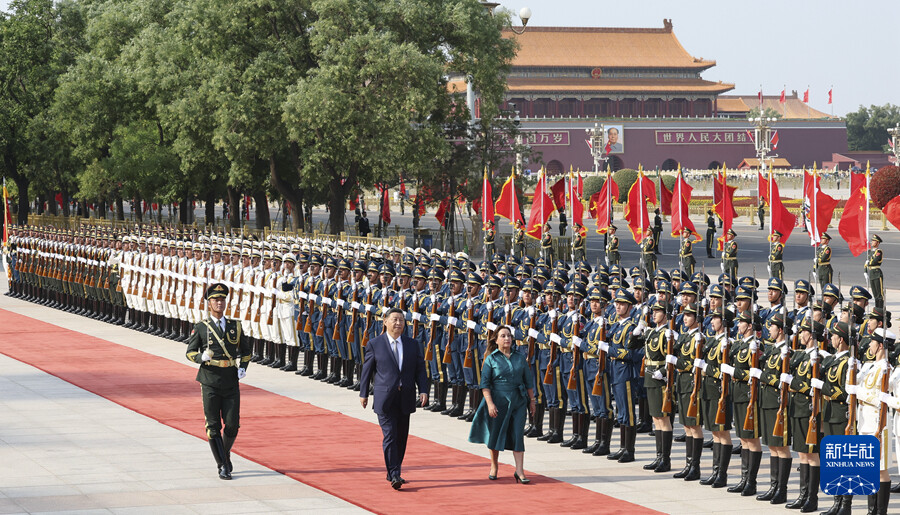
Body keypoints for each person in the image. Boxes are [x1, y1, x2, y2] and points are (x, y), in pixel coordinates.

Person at [185, 283, 252, 480]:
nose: (219, 302)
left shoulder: (235, 326)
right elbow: (189, 352)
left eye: (222, 299)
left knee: (232, 425)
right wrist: (200, 358)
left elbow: (246, 351)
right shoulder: (201, 327)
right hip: (210, 380)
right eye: (215, 300)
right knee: (213, 425)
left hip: (230, 379)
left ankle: (225, 451)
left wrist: (242, 368)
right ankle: (222, 464)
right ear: (209, 303)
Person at [359, 307, 429, 490]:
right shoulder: (375, 344)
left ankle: (393, 471)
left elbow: (420, 370)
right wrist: (363, 393)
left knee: (401, 437)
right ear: (385, 321)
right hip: (385, 397)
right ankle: (395, 473)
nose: (398, 323)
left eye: (401, 320)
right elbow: (367, 371)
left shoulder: (412, 344)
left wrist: (424, 390)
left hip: (405, 396)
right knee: (389, 435)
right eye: (394, 320)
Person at [468, 325, 536, 483]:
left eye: (509, 336)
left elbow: (528, 382)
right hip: (498, 400)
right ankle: (494, 465)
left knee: (518, 434)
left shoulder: (520, 357)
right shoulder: (491, 358)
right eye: (503, 336)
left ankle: (519, 470)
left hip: (519, 401)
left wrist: (532, 401)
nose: (507, 339)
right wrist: (490, 404)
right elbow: (485, 384)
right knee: (495, 433)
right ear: (496, 340)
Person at [865, 234, 884, 308]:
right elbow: (866, 262)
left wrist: (868, 262)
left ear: (878, 243)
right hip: (871, 273)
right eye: (872, 240)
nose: (872, 242)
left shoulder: (879, 252)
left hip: (877, 273)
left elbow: (874, 261)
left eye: (874, 241)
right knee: (875, 293)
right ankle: (877, 308)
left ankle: (880, 309)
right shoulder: (870, 251)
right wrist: (865, 271)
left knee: (879, 293)